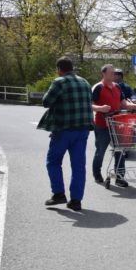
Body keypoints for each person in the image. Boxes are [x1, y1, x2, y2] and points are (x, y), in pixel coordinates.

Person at [37, 56, 94, 211]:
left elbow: (46, 102)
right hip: (83, 130)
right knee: (78, 165)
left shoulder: (59, 82)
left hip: (64, 129)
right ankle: (76, 201)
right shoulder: (85, 82)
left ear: (59, 69)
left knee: (53, 161)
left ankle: (58, 194)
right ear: (72, 68)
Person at [91, 64, 136, 187]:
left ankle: (119, 177)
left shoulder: (117, 87)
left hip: (117, 124)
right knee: (101, 151)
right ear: (103, 74)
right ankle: (97, 174)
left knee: (120, 150)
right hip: (102, 125)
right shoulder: (98, 87)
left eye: (114, 73)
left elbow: (124, 104)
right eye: (111, 73)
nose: (114, 75)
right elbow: (89, 104)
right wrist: (100, 108)